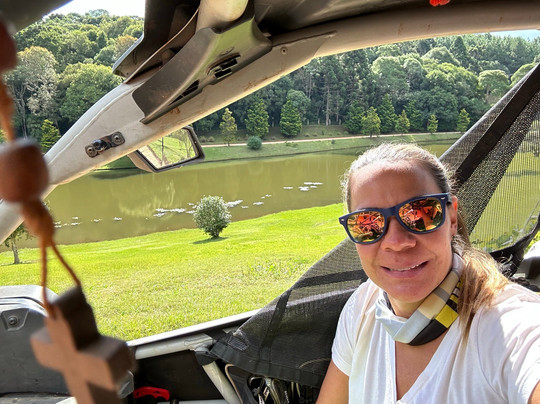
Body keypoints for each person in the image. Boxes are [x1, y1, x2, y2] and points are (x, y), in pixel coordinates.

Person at [316, 143, 540, 403]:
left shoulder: (506, 327)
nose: (397, 242)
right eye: (368, 223)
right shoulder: (362, 307)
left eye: (420, 213)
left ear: (451, 219)